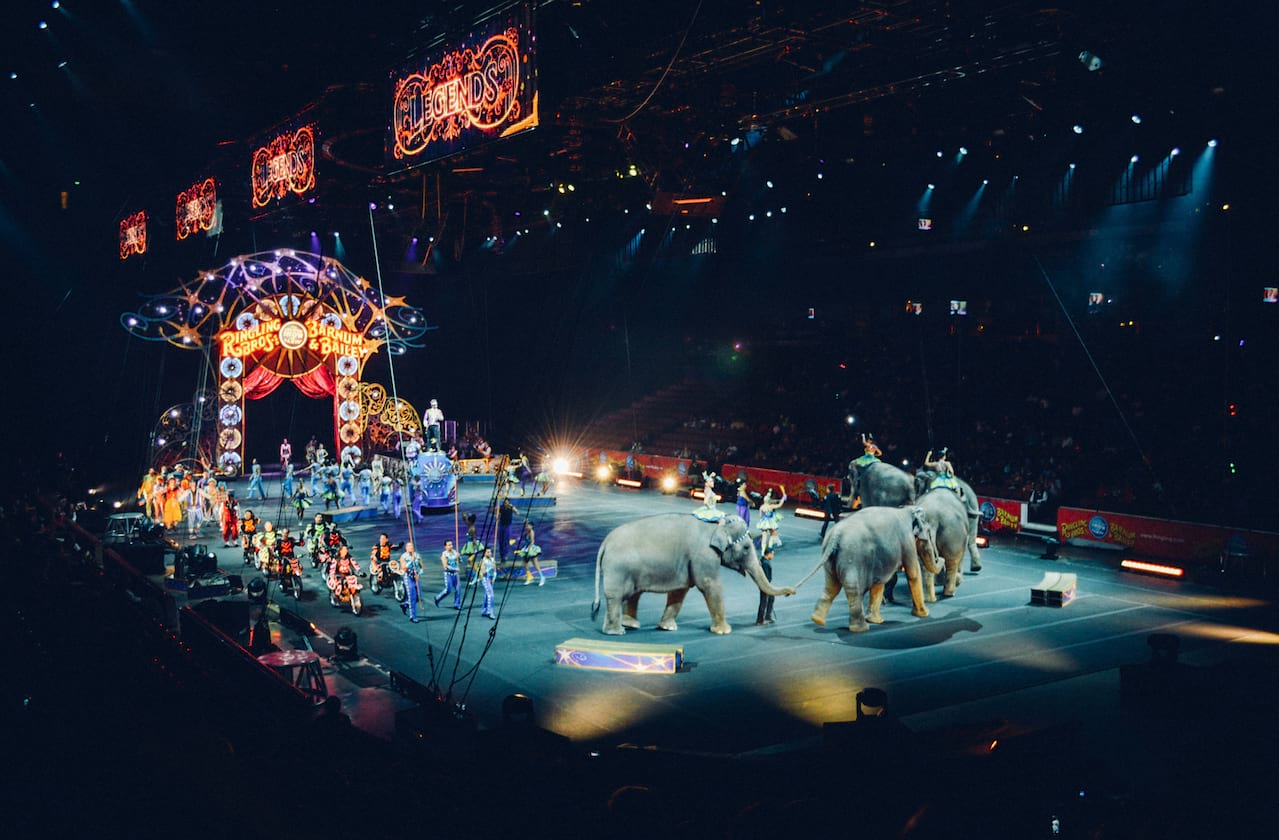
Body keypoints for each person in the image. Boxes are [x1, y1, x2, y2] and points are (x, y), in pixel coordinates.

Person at [514, 521, 545, 586]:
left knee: (535, 564)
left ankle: (542, 577)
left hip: (531, 549)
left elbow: (532, 541)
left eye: (527, 526)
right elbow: (522, 537)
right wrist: (516, 539)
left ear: (531, 526)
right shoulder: (527, 532)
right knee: (525, 564)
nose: (526, 527)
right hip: (526, 547)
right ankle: (529, 577)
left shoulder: (531, 532)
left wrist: (528, 550)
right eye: (526, 526)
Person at [399, 541, 424, 622]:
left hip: (416, 577)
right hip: (408, 577)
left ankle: (405, 604)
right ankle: (413, 616)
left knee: (419, 596)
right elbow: (404, 568)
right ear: (406, 548)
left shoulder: (417, 555)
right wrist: (411, 561)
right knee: (412, 597)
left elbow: (421, 566)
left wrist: (419, 573)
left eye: (412, 546)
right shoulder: (403, 557)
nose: (411, 548)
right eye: (409, 546)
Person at [434, 539, 462, 608]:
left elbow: (460, 561)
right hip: (448, 574)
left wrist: (459, 557)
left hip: (456, 574)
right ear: (445, 546)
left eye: (451, 544)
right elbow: (445, 566)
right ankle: (438, 598)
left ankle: (456, 604)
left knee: (458, 589)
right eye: (449, 545)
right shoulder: (444, 554)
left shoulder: (455, 552)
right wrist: (455, 568)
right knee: (448, 590)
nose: (451, 546)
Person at [757, 488, 787, 553]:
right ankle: (770, 547)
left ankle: (763, 551)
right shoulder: (771, 506)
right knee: (772, 535)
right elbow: (779, 505)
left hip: (764, 522)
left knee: (764, 537)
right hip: (770, 522)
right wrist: (783, 499)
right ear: (769, 500)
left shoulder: (761, 507)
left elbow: (760, 516)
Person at [755, 547, 777, 625]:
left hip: (765, 584)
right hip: (765, 585)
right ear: (769, 554)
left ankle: (768, 616)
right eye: (773, 554)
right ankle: (760, 620)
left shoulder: (763, 561)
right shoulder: (765, 563)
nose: (773, 556)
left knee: (771, 598)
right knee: (763, 601)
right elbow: (766, 577)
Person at [477, 547, 497, 619]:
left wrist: (494, 577)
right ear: (484, 553)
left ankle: (484, 610)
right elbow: (484, 572)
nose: (490, 553)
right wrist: (489, 567)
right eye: (488, 552)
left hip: (491, 579)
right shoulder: (482, 561)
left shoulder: (492, 560)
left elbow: (495, 570)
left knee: (487, 595)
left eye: (490, 552)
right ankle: (490, 612)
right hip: (486, 579)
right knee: (491, 595)